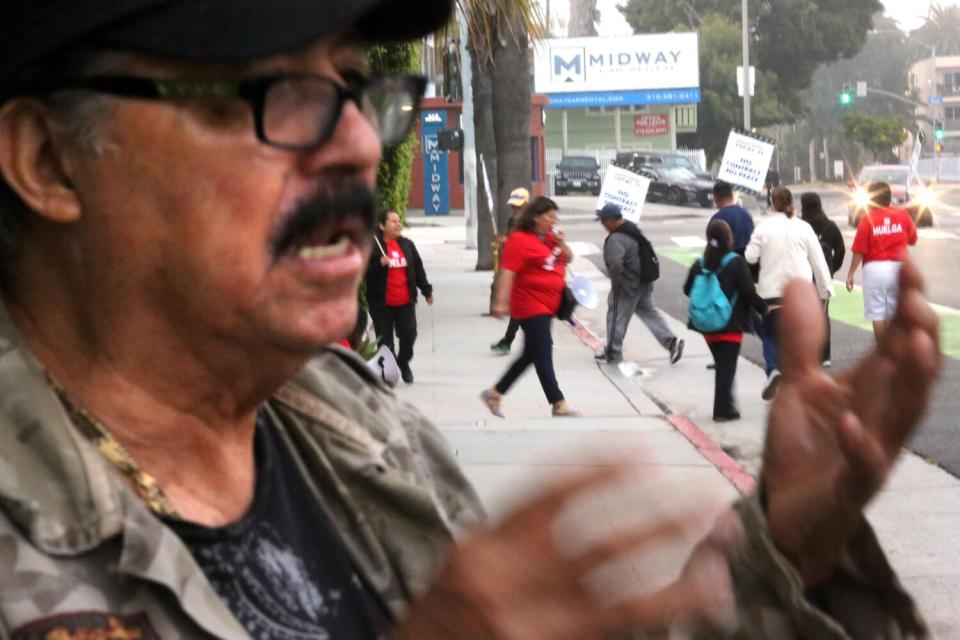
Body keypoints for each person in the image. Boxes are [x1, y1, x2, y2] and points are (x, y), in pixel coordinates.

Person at [0, 2, 941, 637]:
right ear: (47, 159)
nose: (361, 142)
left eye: (355, 89)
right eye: (269, 93)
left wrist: (784, 547)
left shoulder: (354, 424)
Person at [480, 197, 579, 417]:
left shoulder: (551, 238)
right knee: (543, 351)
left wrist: (561, 243)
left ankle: (494, 394)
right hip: (530, 304)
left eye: (555, 217)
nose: (553, 221)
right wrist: (500, 302)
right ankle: (558, 402)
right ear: (536, 216)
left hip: (549, 305)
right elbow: (508, 272)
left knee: (531, 354)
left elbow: (569, 258)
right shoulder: (519, 240)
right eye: (550, 216)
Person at [745, 187, 834, 400]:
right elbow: (818, 262)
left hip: (771, 293)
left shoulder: (763, 227)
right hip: (800, 294)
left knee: (771, 335)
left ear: (773, 203)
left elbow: (750, 257)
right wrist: (825, 291)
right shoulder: (804, 228)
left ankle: (774, 369)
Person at [684, 220, 767, 422]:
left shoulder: (699, 263)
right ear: (729, 238)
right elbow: (748, 292)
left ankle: (728, 404)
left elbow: (687, 289)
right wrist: (764, 309)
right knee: (726, 368)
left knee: (722, 365)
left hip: (705, 324)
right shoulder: (736, 262)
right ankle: (722, 410)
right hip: (730, 323)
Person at [594, 203, 684, 365]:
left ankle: (613, 353)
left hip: (627, 285)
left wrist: (616, 284)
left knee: (615, 316)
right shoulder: (632, 230)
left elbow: (615, 264)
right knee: (649, 313)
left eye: (604, 221)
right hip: (643, 283)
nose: (602, 225)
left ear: (611, 220)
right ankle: (671, 342)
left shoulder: (616, 238)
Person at [365, 209, 433, 383]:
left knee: (409, 335)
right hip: (381, 304)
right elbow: (363, 273)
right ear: (382, 225)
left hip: (405, 302)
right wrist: (379, 264)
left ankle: (403, 362)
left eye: (398, 221)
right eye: (393, 222)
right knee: (385, 342)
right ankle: (390, 369)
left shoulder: (407, 245)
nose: (398, 224)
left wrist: (426, 290)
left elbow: (417, 269)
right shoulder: (373, 247)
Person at [845, 181, 918, 343]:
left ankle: (884, 352)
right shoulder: (902, 215)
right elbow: (913, 239)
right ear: (889, 197)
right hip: (899, 269)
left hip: (874, 269)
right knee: (894, 313)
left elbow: (859, 250)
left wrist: (851, 273)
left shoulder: (867, 220)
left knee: (877, 314)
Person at [800, 192, 846, 366]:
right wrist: (832, 269)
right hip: (824, 275)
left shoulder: (800, 225)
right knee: (823, 313)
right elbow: (840, 250)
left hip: (803, 274)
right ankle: (825, 355)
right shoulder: (830, 226)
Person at [489, 186, 529, 355]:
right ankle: (510, 340)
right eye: (513, 205)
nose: (515, 208)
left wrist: (506, 240)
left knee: (521, 308)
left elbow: (522, 242)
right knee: (521, 308)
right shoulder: (513, 221)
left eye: (518, 205)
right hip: (515, 267)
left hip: (525, 269)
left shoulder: (531, 223)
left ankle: (508, 341)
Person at [710, 180, 754, 254]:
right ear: (731, 195)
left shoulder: (717, 219)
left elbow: (713, 245)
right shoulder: (746, 214)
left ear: (716, 198)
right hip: (745, 261)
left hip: (727, 261)